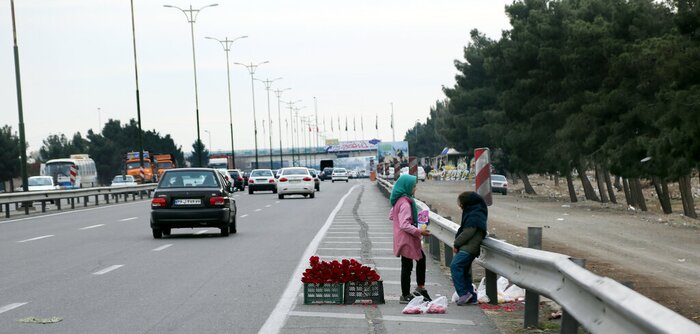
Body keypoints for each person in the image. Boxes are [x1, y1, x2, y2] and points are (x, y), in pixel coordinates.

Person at [390, 174, 432, 304]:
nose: (415, 189)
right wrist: (420, 231)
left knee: (417, 260)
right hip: (407, 238)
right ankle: (406, 294)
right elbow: (404, 224)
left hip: (402, 238)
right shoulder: (406, 203)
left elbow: (392, 215)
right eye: (413, 186)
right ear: (407, 187)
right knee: (408, 265)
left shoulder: (399, 200)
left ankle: (418, 288)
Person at [451, 191, 488, 305]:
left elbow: (468, 232)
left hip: (469, 248)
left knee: (455, 266)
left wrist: (457, 243)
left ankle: (463, 293)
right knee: (464, 271)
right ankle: (471, 296)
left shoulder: (475, 214)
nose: (460, 206)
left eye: (461, 203)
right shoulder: (475, 211)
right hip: (468, 247)